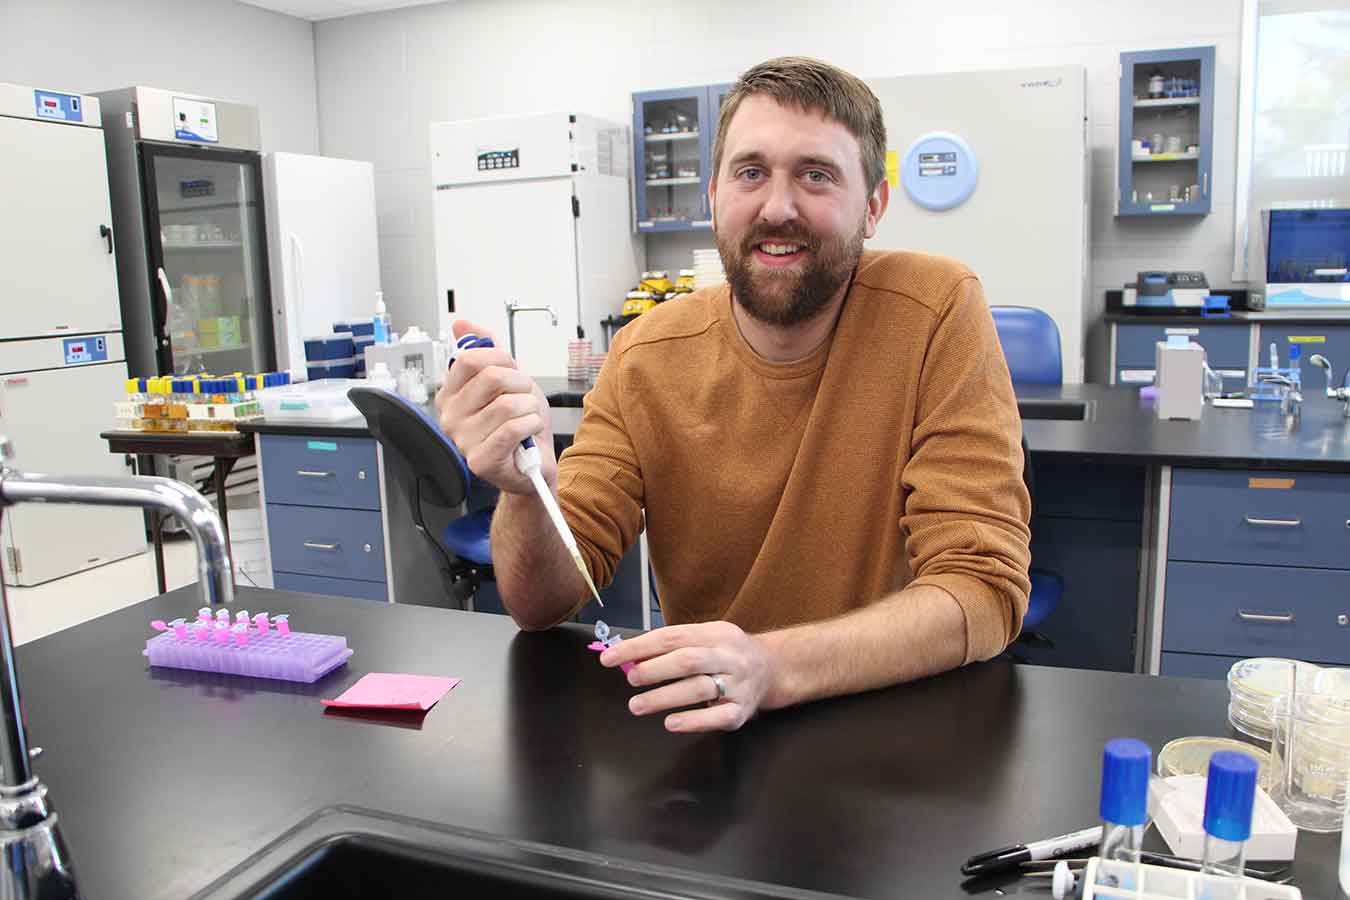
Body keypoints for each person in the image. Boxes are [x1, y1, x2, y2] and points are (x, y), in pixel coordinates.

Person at [436, 56, 1030, 734]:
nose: (778, 208)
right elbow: (541, 602)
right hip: (712, 737)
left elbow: (984, 591)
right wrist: (524, 490)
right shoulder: (643, 357)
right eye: (751, 173)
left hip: (894, 730)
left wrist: (770, 667)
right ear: (713, 197)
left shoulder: (935, 310)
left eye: (816, 175)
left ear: (873, 207)